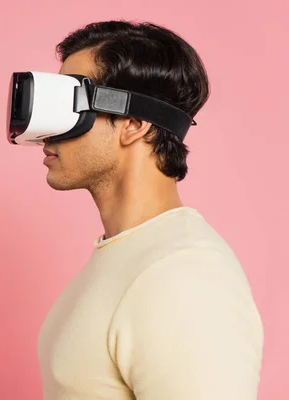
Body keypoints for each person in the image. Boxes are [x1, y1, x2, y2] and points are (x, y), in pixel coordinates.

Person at [36, 20, 264, 400]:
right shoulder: (125, 255)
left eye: (69, 104)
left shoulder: (184, 276)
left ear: (134, 124)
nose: (45, 131)